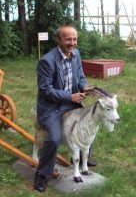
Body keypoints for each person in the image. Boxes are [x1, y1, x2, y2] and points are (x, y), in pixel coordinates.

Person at [34, 25, 96, 192]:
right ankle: (41, 173)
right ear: (58, 40)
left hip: (71, 101)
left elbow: (80, 77)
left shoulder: (76, 55)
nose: (72, 43)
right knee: (54, 138)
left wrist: (85, 88)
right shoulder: (47, 61)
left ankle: (82, 157)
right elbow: (46, 90)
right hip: (51, 106)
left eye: (75, 39)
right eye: (68, 39)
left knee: (89, 120)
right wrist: (70, 97)